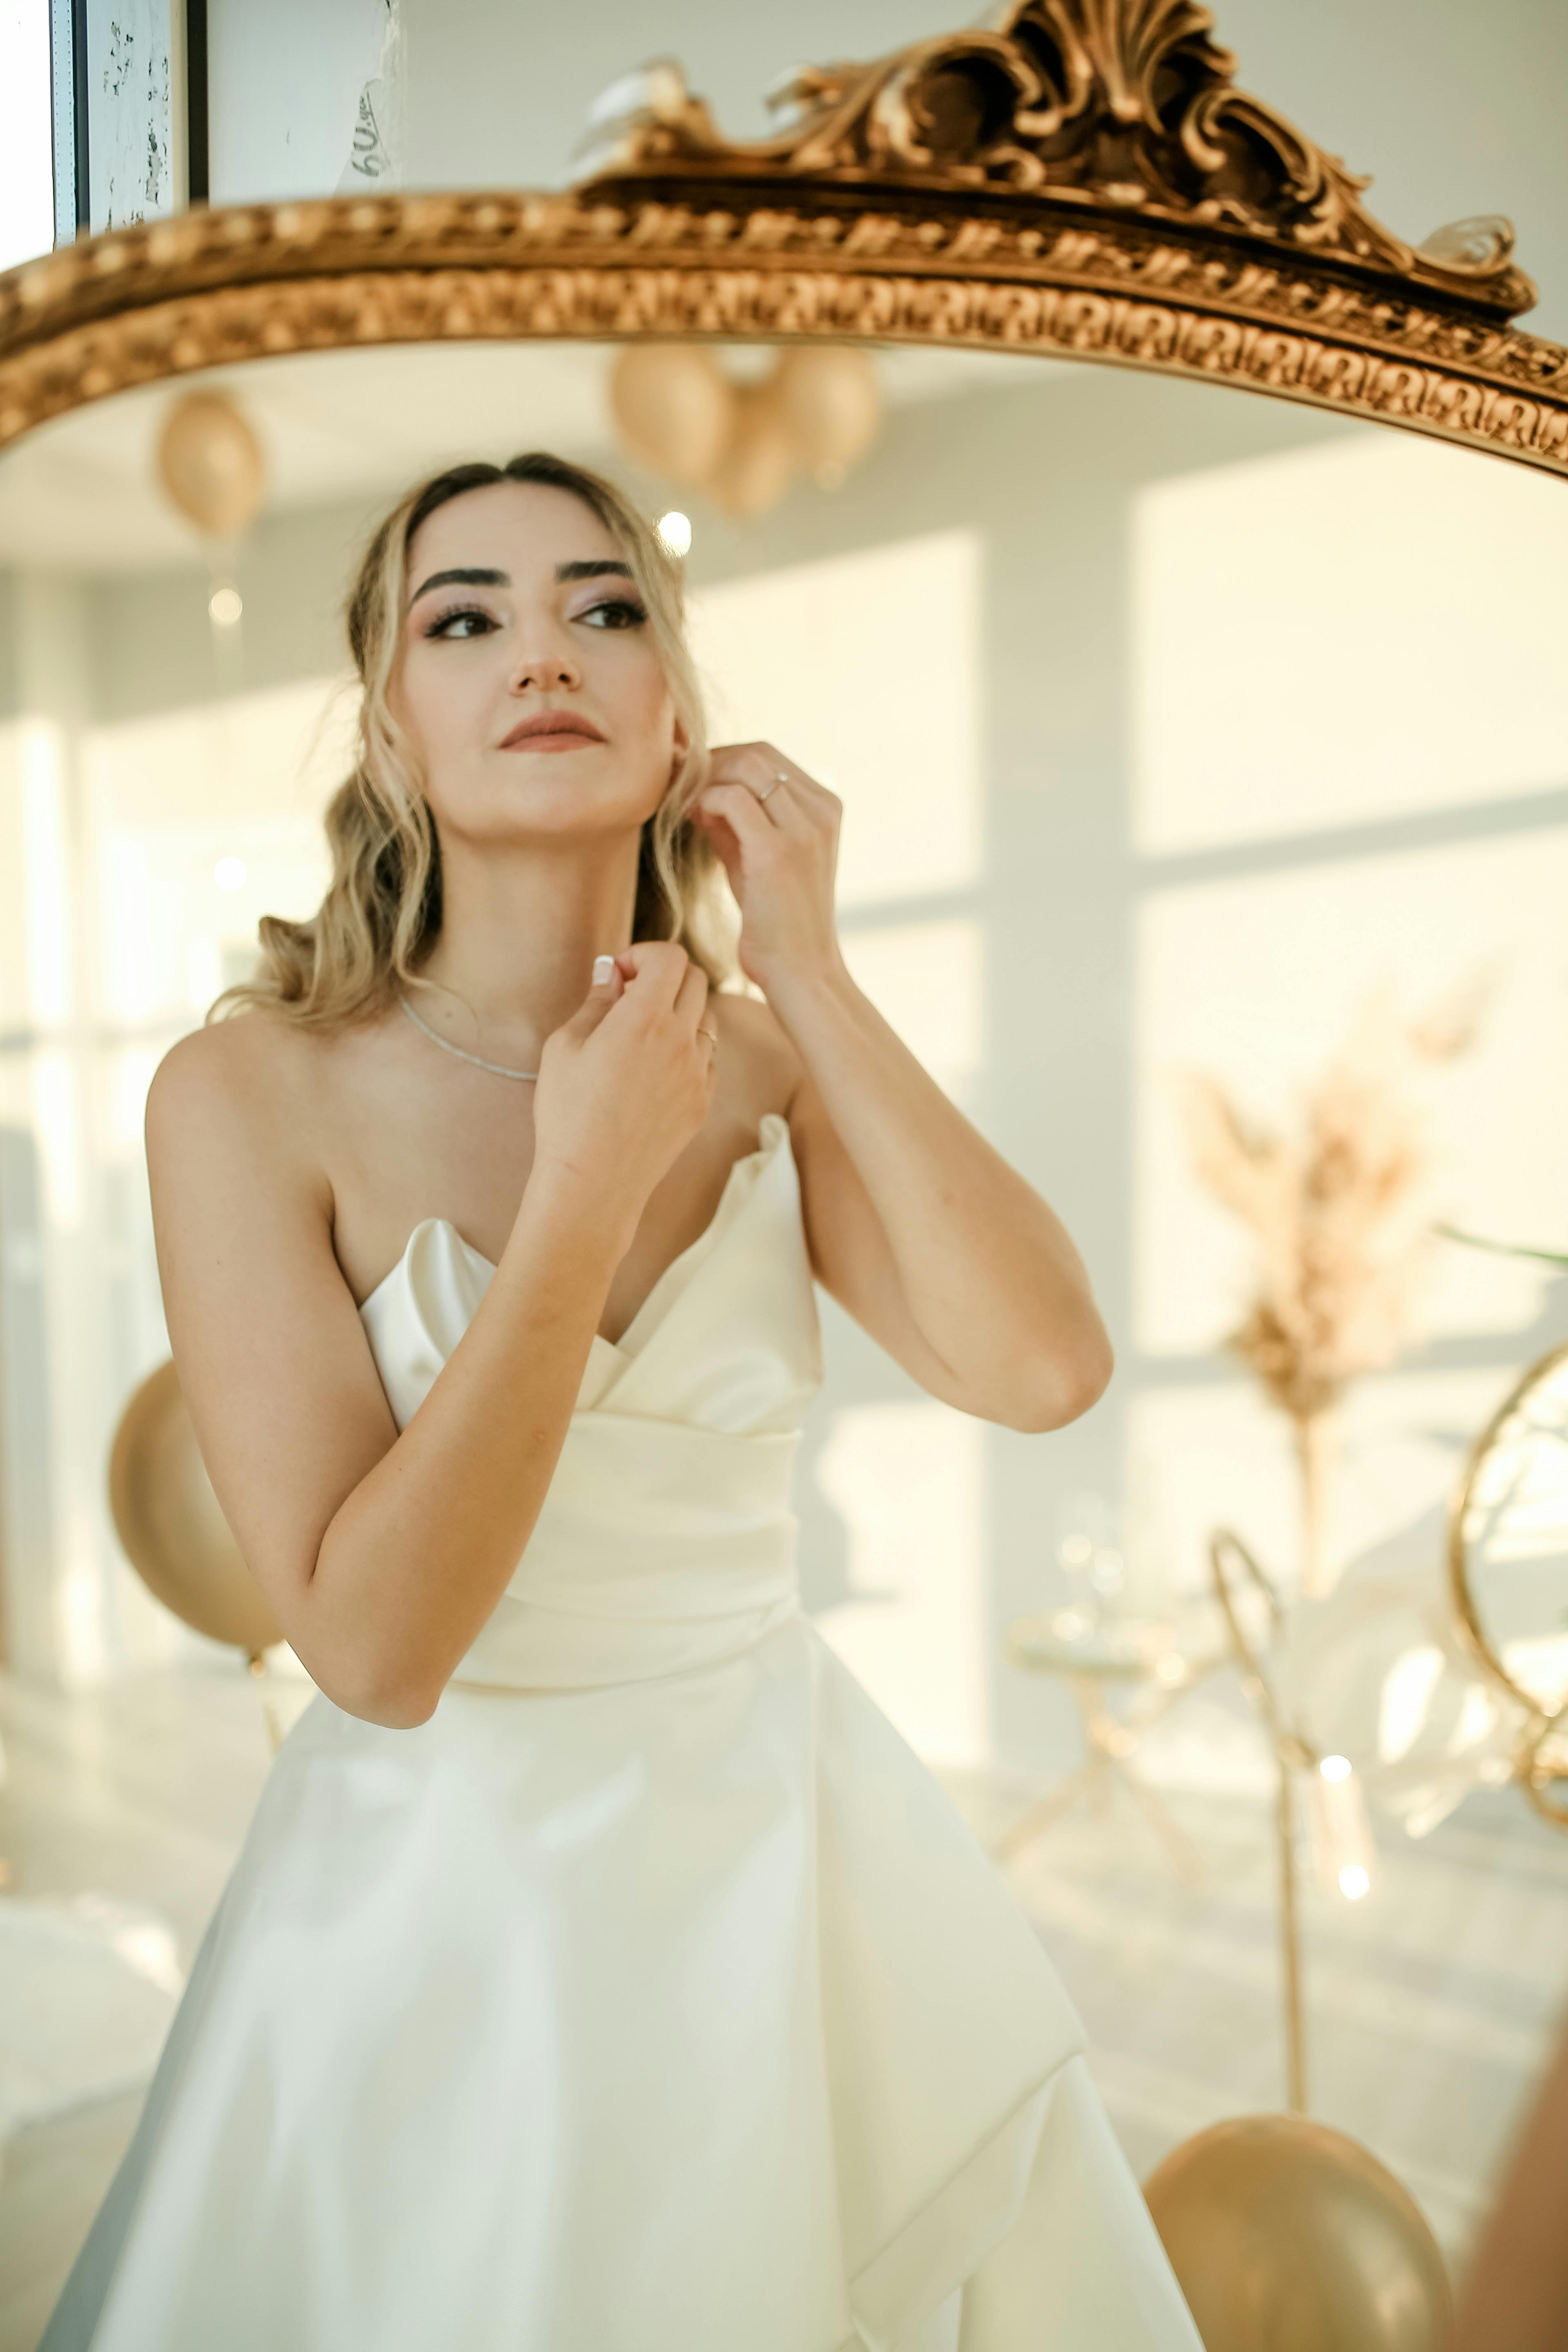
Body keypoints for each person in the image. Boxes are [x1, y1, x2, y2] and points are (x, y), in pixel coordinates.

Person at [42, 450, 1202, 2350]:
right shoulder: (246, 1098)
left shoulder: (765, 1065)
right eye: (466, 620)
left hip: (787, 1875)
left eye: (602, 608)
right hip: (442, 1921)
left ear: (676, 723)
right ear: (393, 734)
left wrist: (805, 971)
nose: (542, 653)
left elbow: (1045, 1367)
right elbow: (377, 1653)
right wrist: (581, 1190)